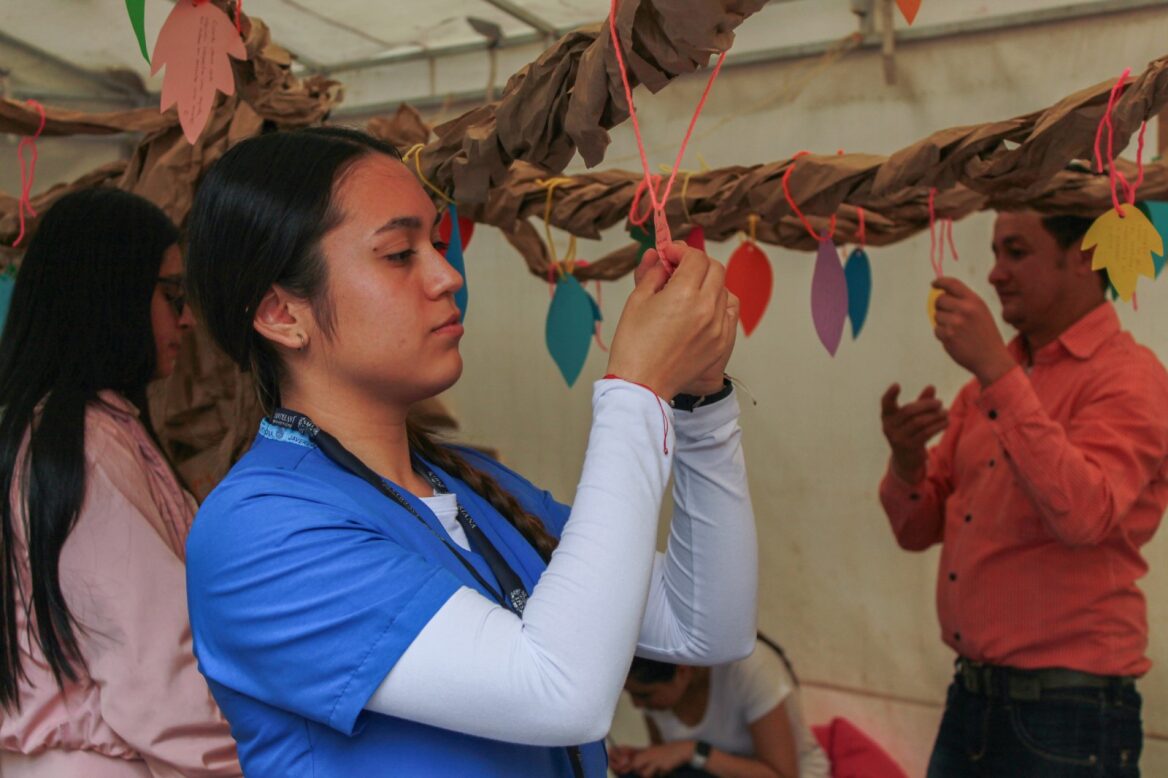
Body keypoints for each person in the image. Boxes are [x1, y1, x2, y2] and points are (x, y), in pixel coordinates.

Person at [182, 126, 759, 777]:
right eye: (399, 253)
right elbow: (558, 690)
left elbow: (704, 625)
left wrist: (700, 405)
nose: (447, 275)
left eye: (436, 242)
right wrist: (636, 390)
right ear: (282, 314)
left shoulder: (473, 485)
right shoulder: (259, 532)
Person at [879, 209, 1168, 776]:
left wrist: (993, 368)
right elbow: (917, 531)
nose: (993, 274)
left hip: (1070, 711)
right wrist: (907, 462)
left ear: (1084, 257)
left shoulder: (1129, 377)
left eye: (1016, 251)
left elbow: (1085, 516)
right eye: (995, 253)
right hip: (972, 697)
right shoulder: (990, 385)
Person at [0, 189, 241, 776]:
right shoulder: (82, 444)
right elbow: (152, 674)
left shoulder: (92, 428)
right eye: (172, 295)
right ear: (109, 296)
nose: (186, 318)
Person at [610, 635, 831, 778]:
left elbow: (782, 774)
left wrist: (692, 751)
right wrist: (644, 759)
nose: (638, 705)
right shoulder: (658, 690)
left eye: (645, 695)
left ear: (683, 671)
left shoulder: (749, 668)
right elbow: (670, 761)